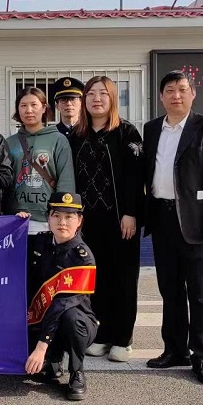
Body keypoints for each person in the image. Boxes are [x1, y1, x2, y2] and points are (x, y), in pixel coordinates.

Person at [142, 70, 203, 386]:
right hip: (162, 218)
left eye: (182, 89)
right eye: (169, 90)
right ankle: (174, 349)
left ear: (192, 93)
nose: (176, 95)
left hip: (198, 221)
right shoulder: (152, 129)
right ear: (161, 96)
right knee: (170, 290)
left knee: (202, 292)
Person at [71, 76, 144, 363]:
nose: (97, 99)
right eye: (91, 94)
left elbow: (135, 177)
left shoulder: (126, 132)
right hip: (88, 222)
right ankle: (101, 335)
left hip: (120, 220)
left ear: (113, 98)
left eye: (103, 93)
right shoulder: (76, 135)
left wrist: (131, 213)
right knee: (96, 278)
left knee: (123, 278)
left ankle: (123, 338)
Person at [23, 192, 97, 401]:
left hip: (74, 323)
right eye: (56, 216)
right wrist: (16, 223)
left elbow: (61, 305)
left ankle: (77, 372)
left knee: (71, 317)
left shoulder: (83, 258)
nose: (62, 222)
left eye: (69, 217)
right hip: (41, 318)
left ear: (79, 221)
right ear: (48, 217)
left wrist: (41, 347)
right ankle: (53, 360)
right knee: (28, 368)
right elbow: (12, 244)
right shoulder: (41, 242)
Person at [6, 87, 76, 235]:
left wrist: (61, 214)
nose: (29, 110)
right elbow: (5, 180)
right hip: (17, 218)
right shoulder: (10, 142)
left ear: (44, 108)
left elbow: (66, 179)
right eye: (23, 105)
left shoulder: (58, 140)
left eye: (34, 105)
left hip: (48, 219)